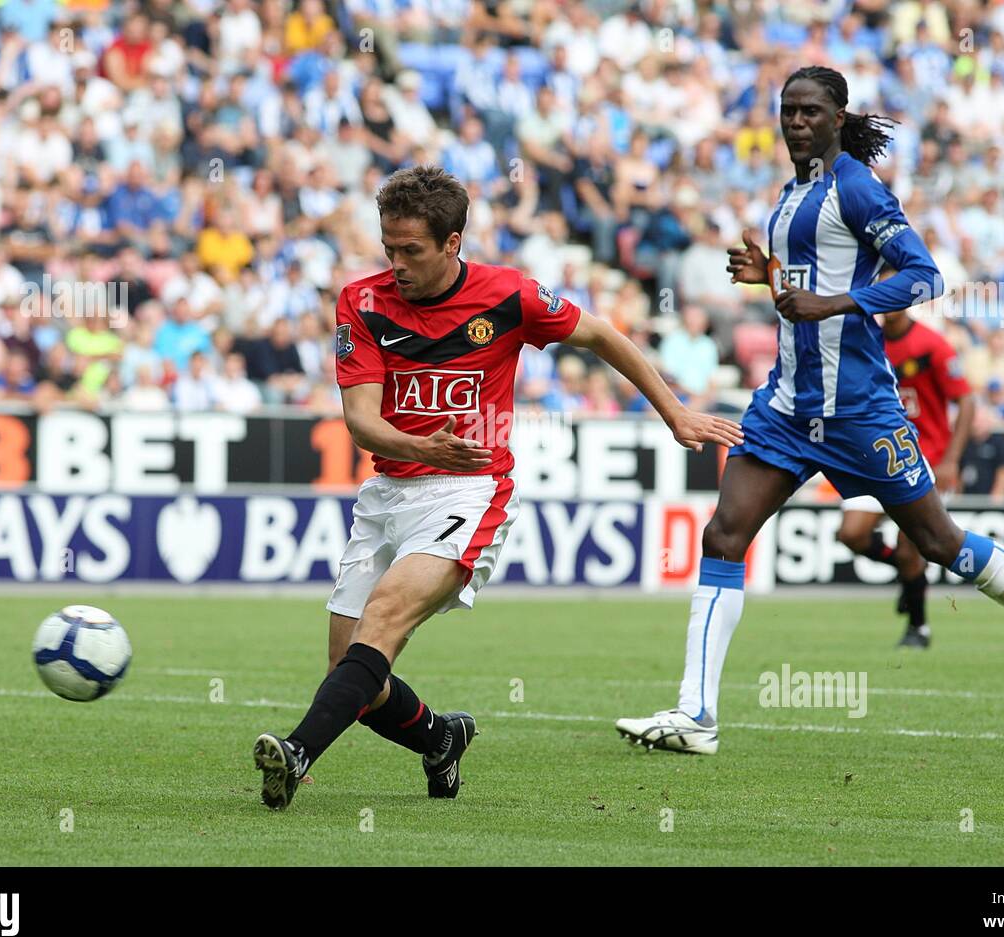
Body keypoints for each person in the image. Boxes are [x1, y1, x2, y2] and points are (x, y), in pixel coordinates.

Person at [615, 66, 1004, 757]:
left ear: (837, 117)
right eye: (787, 111)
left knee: (940, 543)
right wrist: (769, 274)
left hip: (859, 412)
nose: (796, 121)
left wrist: (835, 303)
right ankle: (696, 715)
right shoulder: (792, 195)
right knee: (724, 535)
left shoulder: (854, 185)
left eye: (810, 111)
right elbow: (811, 283)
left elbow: (924, 275)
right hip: (789, 407)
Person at [252, 166, 742, 809]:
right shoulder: (363, 302)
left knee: (385, 618)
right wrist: (420, 445)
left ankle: (297, 753)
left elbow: (603, 334)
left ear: (452, 243)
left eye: (411, 251)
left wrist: (674, 412)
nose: (396, 263)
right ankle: (441, 738)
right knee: (355, 680)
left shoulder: (509, 295)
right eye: (388, 248)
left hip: (468, 490)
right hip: (389, 494)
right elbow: (361, 421)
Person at [836, 307, 975, 648]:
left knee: (910, 543)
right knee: (851, 533)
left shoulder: (932, 345)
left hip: (925, 460)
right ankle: (906, 574)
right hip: (879, 455)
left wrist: (951, 461)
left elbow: (967, 401)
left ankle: (918, 627)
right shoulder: (868, 339)